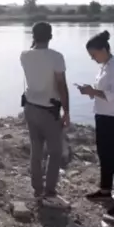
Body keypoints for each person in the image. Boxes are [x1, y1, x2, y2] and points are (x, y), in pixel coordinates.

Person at [77, 30, 114, 216]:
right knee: (103, 155)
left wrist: (93, 91)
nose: (92, 58)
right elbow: (102, 93)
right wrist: (91, 91)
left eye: (94, 54)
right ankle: (105, 190)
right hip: (102, 116)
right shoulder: (104, 66)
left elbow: (113, 96)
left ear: (103, 49)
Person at [20, 22, 69, 204]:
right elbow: (61, 86)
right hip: (49, 110)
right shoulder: (56, 57)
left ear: (33, 36)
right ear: (50, 36)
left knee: (36, 149)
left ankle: (37, 189)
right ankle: (49, 191)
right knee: (55, 152)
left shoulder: (24, 56)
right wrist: (67, 111)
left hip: (30, 107)